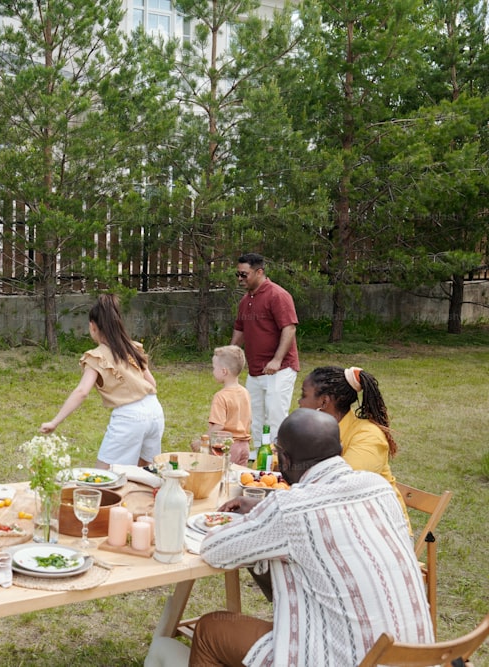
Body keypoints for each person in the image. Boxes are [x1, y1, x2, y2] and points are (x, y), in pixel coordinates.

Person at [183, 408, 432, 667]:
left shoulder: (291, 508)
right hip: (417, 657)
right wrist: (263, 514)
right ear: (340, 448)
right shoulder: (379, 488)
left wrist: (259, 521)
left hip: (344, 659)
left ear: (285, 459)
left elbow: (214, 549)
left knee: (210, 630)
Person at [40, 294, 164, 469]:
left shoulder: (96, 357)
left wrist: (55, 422)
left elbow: (82, 392)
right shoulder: (131, 347)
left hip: (129, 416)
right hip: (155, 411)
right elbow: (152, 383)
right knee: (144, 472)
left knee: (105, 475)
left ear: (92, 326)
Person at [297, 365, 408, 518]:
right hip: (337, 517)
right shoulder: (313, 429)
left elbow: (343, 486)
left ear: (324, 402)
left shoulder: (369, 436)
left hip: (382, 530)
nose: (299, 402)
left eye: (303, 395)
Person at [229, 252, 300, 450]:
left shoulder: (278, 295)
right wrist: (231, 354)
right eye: (238, 274)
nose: (240, 279)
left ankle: (278, 459)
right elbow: (240, 329)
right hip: (256, 370)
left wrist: (277, 360)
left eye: (245, 274)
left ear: (259, 272)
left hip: (280, 369)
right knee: (254, 416)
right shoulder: (245, 300)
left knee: (275, 416)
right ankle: (259, 457)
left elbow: (289, 328)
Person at [193, 345, 251, 465]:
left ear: (224, 371)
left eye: (214, 368)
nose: (213, 371)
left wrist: (201, 441)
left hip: (227, 447)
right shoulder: (245, 392)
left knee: (219, 477)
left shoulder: (221, 396)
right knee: (237, 479)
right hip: (244, 446)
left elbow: (218, 426)